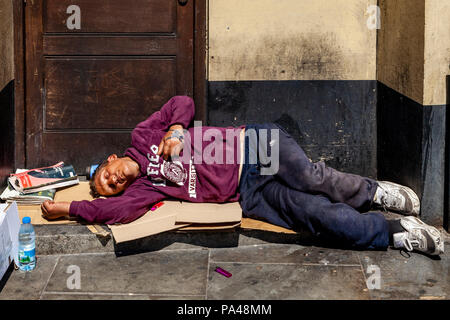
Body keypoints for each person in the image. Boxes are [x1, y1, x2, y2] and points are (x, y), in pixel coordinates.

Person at [41, 96, 444, 256]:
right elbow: (114, 214)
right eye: (107, 187)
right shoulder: (143, 190)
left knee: (310, 177)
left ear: (112, 160)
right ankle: (394, 232)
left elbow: (182, 101)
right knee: (318, 218)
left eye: (105, 176)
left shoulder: (143, 135)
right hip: (246, 194)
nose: (109, 182)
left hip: (249, 144)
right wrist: (68, 207)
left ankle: (373, 192)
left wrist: (177, 129)